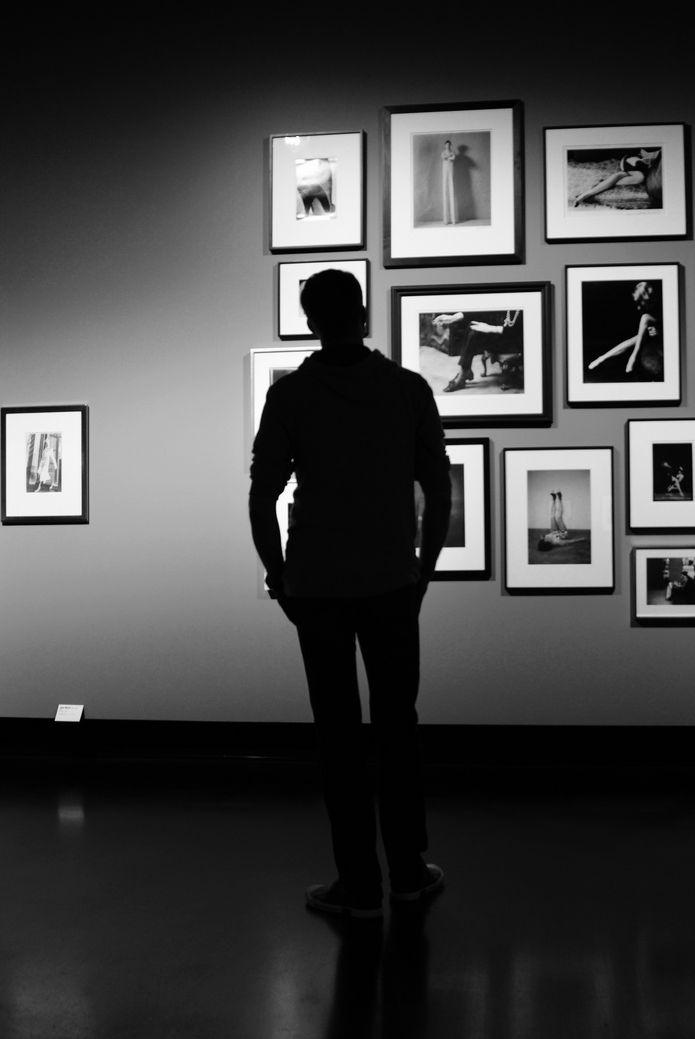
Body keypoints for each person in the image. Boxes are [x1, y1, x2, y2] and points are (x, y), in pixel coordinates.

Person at [249, 268, 452, 921]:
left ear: (311, 320)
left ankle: (358, 883)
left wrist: (279, 575)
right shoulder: (408, 389)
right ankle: (411, 872)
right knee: (398, 726)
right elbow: (439, 488)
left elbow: (261, 495)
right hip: (392, 581)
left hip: (318, 585)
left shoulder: (292, 398)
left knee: (337, 732)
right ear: (363, 314)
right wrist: (424, 569)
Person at [433, 310, 521, 393]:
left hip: (514, 343)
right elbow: (482, 313)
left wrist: (491, 328)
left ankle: (463, 374)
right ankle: (465, 370)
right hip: (500, 337)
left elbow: (520, 332)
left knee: (475, 331)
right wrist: (454, 317)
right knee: (473, 328)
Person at [586, 281, 660, 378]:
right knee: (639, 336)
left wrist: (659, 332)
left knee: (645, 319)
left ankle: (633, 357)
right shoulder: (650, 313)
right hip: (653, 342)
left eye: (639, 303)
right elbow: (637, 339)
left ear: (646, 298)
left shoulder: (660, 307)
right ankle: (602, 358)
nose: (638, 308)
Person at [573, 148, 661, 206]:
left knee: (622, 176)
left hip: (641, 168)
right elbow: (640, 153)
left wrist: (651, 162)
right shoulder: (646, 147)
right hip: (633, 160)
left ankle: (588, 193)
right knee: (639, 177)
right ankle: (590, 192)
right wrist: (641, 160)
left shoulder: (661, 151)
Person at [440, 140, 457, 225]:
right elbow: (444, 157)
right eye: (446, 145)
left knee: (451, 190)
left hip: (450, 171)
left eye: (449, 145)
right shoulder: (443, 152)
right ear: (444, 146)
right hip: (445, 171)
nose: (448, 146)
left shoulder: (453, 152)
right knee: (445, 191)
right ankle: (446, 220)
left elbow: (453, 157)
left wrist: (449, 156)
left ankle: (453, 219)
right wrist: (449, 156)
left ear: (450, 145)